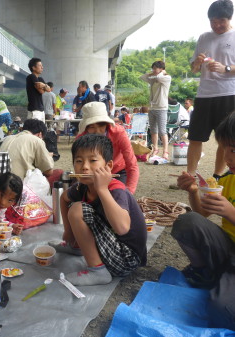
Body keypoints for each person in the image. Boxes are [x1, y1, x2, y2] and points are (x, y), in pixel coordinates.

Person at [49, 133, 146, 286]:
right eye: (79, 161)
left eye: (93, 160)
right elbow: (64, 198)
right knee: (75, 207)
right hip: (107, 249)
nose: (85, 166)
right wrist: (69, 232)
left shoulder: (116, 190)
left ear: (108, 167)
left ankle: (97, 270)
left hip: (126, 258)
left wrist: (102, 189)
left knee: (77, 210)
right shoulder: (82, 186)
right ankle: (76, 247)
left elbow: (122, 228)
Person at [172, 111, 235, 331]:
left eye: (234, 149)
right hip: (227, 249)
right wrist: (192, 191)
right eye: (224, 148)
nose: (228, 157)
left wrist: (231, 214)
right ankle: (205, 272)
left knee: (222, 311)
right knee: (187, 221)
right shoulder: (227, 180)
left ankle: (224, 282)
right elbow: (201, 215)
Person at [188, 2, 235, 178]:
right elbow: (193, 69)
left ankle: (217, 174)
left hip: (229, 93)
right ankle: (190, 174)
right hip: (205, 94)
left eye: (220, 21)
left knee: (226, 140)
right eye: (212, 21)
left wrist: (226, 69)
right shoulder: (204, 37)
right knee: (195, 137)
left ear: (229, 18)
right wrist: (197, 63)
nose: (216, 25)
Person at [77, 102, 139, 194]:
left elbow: (132, 164)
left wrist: (129, 192)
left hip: (118, 171)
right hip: (92, 172)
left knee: (118, 196)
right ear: (85, 127)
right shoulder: (81, 138)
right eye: (91, 127)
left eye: (101, 125)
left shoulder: (119, 133)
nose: (97, 131)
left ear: (107, 123)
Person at [140, 60, 172, 160]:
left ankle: (165, 151)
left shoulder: (166, 77)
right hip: (152, 107)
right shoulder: (153, 79)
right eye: (152, 68)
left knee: (162, 131)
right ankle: (155, 149)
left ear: (162, 69)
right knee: (153, 130)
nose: (153, 70)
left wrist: (161, 72)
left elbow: (159, 77)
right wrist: (152, 73)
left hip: (161, 108)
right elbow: (143, 77)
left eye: (155, 68)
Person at [26, 57, 51, 122]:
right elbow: (41, 91)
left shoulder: (41, 79)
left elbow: (49, 89)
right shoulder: (31, 76)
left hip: (41, 110)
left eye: (42, 66)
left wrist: (43, 85)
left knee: (42, 130)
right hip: (34, 110)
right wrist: (44, 87)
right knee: (34, 130)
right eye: (40, 65)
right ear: (33, 67)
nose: (42, 67)